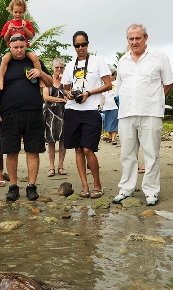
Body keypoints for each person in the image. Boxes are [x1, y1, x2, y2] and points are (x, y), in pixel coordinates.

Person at [112, 23, 173, 206]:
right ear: (127, 40)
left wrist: (155, 100)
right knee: (127, 154)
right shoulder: (123, 60)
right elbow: (119, 86)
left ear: (146, 38)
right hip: (126, 113)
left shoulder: (159, 57)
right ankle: (126, 189)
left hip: (151, 113)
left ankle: (151, 192)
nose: (134, 41)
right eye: (131, 38)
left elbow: (168, 83)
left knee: (151, 154)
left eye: (138, 38)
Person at [0, 34, 53, 201]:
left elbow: (50, 82)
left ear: (26, 46)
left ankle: (31, 186)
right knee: (11, 151)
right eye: (16, 47)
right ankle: (13, 186)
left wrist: (40, 73)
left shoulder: (33, 61)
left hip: (33, 112)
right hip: (9, 114)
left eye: (22, 47)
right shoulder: (4, 63)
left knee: (33, 150)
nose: (19, 50)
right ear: (10, 47)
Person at [61, 31, 112, 199]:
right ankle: (85, 186)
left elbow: (108, 85)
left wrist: (88, 93)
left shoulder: (98, 61)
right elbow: (65, 87)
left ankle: (97, 184)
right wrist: (68, 94)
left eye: (83, 44)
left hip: (91, 110)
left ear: (88, 44)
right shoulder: (70, 65)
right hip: (72, 110)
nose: (80, 48)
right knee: (78, 149)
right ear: (73, 46)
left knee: (88, 149)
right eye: (77, 45)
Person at [0, 0, 41, 91]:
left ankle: (40, 79)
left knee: (34, 57)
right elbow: (5, 39)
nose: (18, 14)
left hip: (25, 48)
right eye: (15, 12)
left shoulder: (27, 23)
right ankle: (1, 81)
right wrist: (9, 30)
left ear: (24, 12)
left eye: (20, 12)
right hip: (11, 49)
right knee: (4, 59)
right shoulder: (8, 24)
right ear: (12, 11)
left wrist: (24, 28)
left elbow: (31, 36)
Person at [42, 57, 68, 177]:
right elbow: (46, 97)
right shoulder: (47, 80)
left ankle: (61, 166)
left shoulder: (66, 81)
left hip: (63, 112)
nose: (59, 69)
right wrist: (61, 99)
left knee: (63, 140)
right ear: (52, 68)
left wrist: (64, 81)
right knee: (51, 140)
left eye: (61, 67)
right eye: (57, 67)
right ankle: (51, 167)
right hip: (50, 113)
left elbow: (70, 94)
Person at [102, 67, 119, 145]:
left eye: (110, 75)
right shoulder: (104, 84)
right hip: (106, 105)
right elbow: (102, 95)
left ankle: (113, 139)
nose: (109, 77)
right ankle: (109, 136)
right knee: (107, 121)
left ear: (114, 75)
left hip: (115, 105)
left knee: (114, 121)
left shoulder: (117, 83)